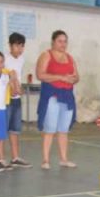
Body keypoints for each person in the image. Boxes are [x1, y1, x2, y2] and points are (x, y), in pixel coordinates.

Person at [35, 30, 79, 169]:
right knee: (50, 129)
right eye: (60, 41)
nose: (63, 44)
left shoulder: (70, 58)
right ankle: (45, 160)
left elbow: (77, 76)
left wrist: (72, 79)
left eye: (65, 41)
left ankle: (64, 159)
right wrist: (60, 77)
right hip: (52, 95)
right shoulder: (46, 55)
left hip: (67, 96)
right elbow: (40, 75)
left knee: (63, 130)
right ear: (53, 42)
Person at [0, 32, 30, 168]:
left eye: (21, 46)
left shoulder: (22, 59)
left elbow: (18, 78)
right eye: (16, 45)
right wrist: (10, 90)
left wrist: (19, 89)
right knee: (2, 130)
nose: (19, 49)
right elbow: (2, 78)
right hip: (5, 100)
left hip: (16, 99)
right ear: (10, 46)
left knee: (14, 130)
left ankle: (15, 157)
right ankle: (0, 159)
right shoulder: (4, 59)